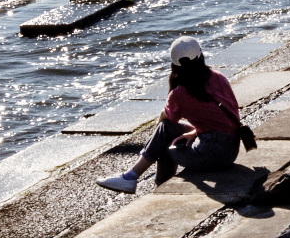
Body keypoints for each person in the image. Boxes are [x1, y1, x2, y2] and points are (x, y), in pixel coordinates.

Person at [96, 37, 247, 192]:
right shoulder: (218, 77)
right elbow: (225, 117)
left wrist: (160, 129)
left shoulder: (180, 93)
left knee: (164, 144)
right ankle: (134, 178)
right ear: (201, 56)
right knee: (166, 131)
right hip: (231, 149)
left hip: (211, 156)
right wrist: (195, 132)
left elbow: (166, 119)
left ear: (174, 65)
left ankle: (147, 185)